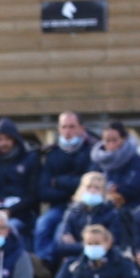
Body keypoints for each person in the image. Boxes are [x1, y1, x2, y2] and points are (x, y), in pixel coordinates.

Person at [33, 110, 97, 259]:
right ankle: (42, 263)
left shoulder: (91, 152)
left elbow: (89, 184)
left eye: (72, 126)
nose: (67, 131)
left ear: (82, 128)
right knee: (43, 225)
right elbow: (43, 192)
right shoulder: (52, 155)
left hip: (82, 209)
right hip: (58, 206)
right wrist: (72, 189)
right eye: (64, 127)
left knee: (60, 233)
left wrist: (58, 181)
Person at [48, 223, 140, 278]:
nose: (93, 247)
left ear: (108, 243)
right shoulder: (81, 266)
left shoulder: (124, 264)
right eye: (89, 244)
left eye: (97, 243)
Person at [51, 172, 126, 269]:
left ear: (104, 192)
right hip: (75, 260)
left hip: (105, 262)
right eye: (89, 187)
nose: (92, 191)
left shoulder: (111, 213)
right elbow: (62, 246)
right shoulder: (72, 212)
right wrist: (95, 245)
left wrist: (76, 245)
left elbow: (112, 243)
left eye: (97, 188)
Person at [90, 119, 140, 207]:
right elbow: (90, 180)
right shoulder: (97, 160)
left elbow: (135, 187)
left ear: (123, 138)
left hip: (130, 206)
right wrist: (108, 187)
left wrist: (116, 190)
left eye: (114, 140)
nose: (111, 145)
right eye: (107, 141)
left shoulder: (136, 160)